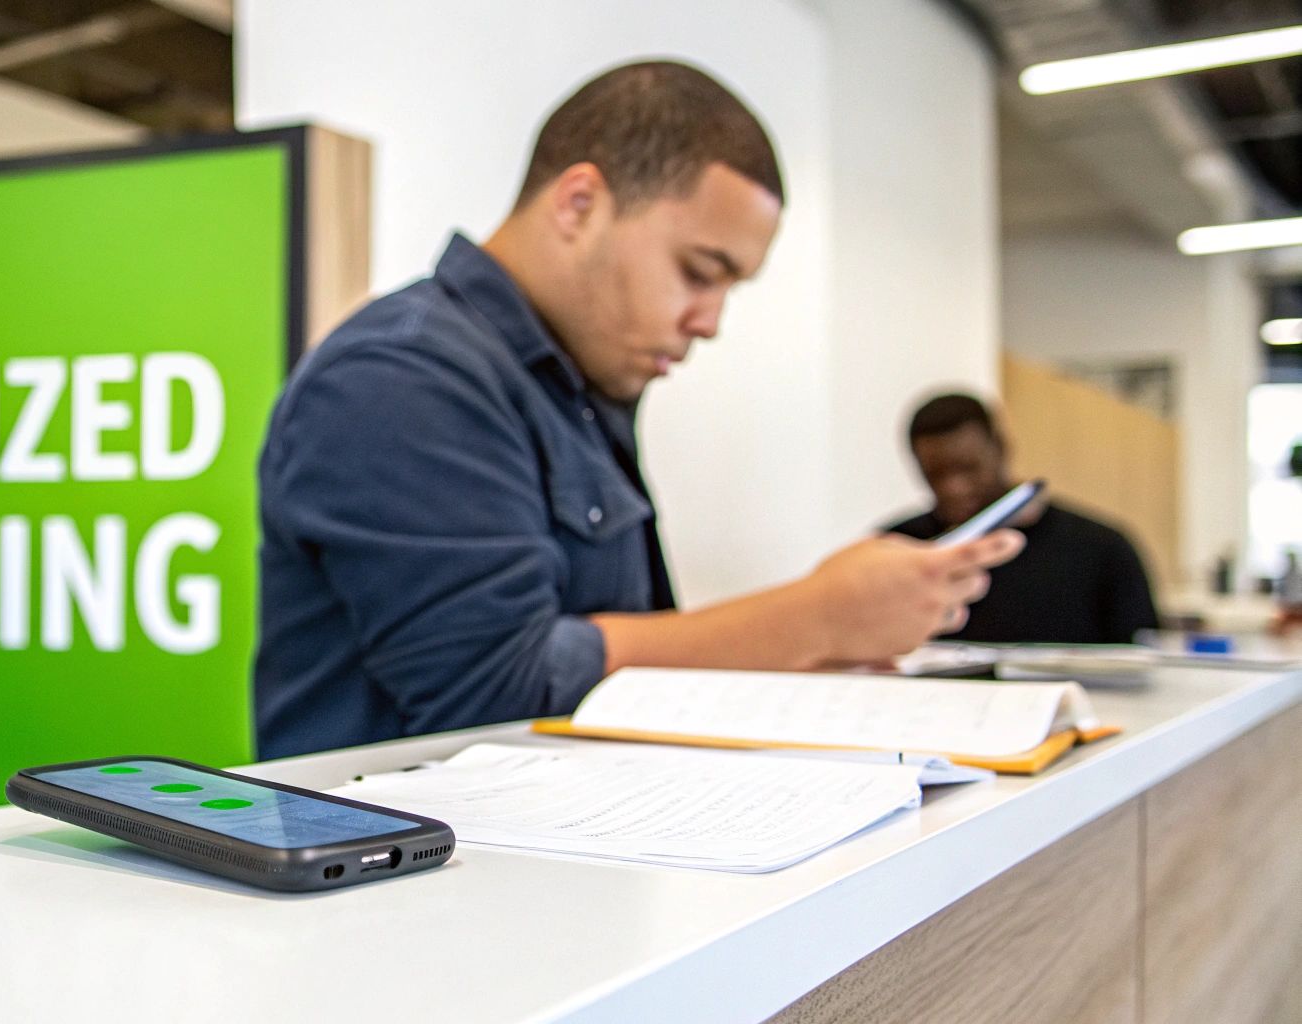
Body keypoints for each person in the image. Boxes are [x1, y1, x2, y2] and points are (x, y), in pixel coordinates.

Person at [253, 61, 1022, 759]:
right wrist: (815, 617)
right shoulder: (402, 376)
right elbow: (492, 695)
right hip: (401, 895)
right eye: (698, 272)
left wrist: (813, 650)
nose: (710, 321)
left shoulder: (583, 386)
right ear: (580, 203)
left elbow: (620, 657)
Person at [884, 393, 1157, 645]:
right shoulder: (898, 550)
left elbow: (1146, 665)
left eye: (968, 468)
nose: (954, 487)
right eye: (936, 473)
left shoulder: (1103, 549)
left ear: (1001, 448)